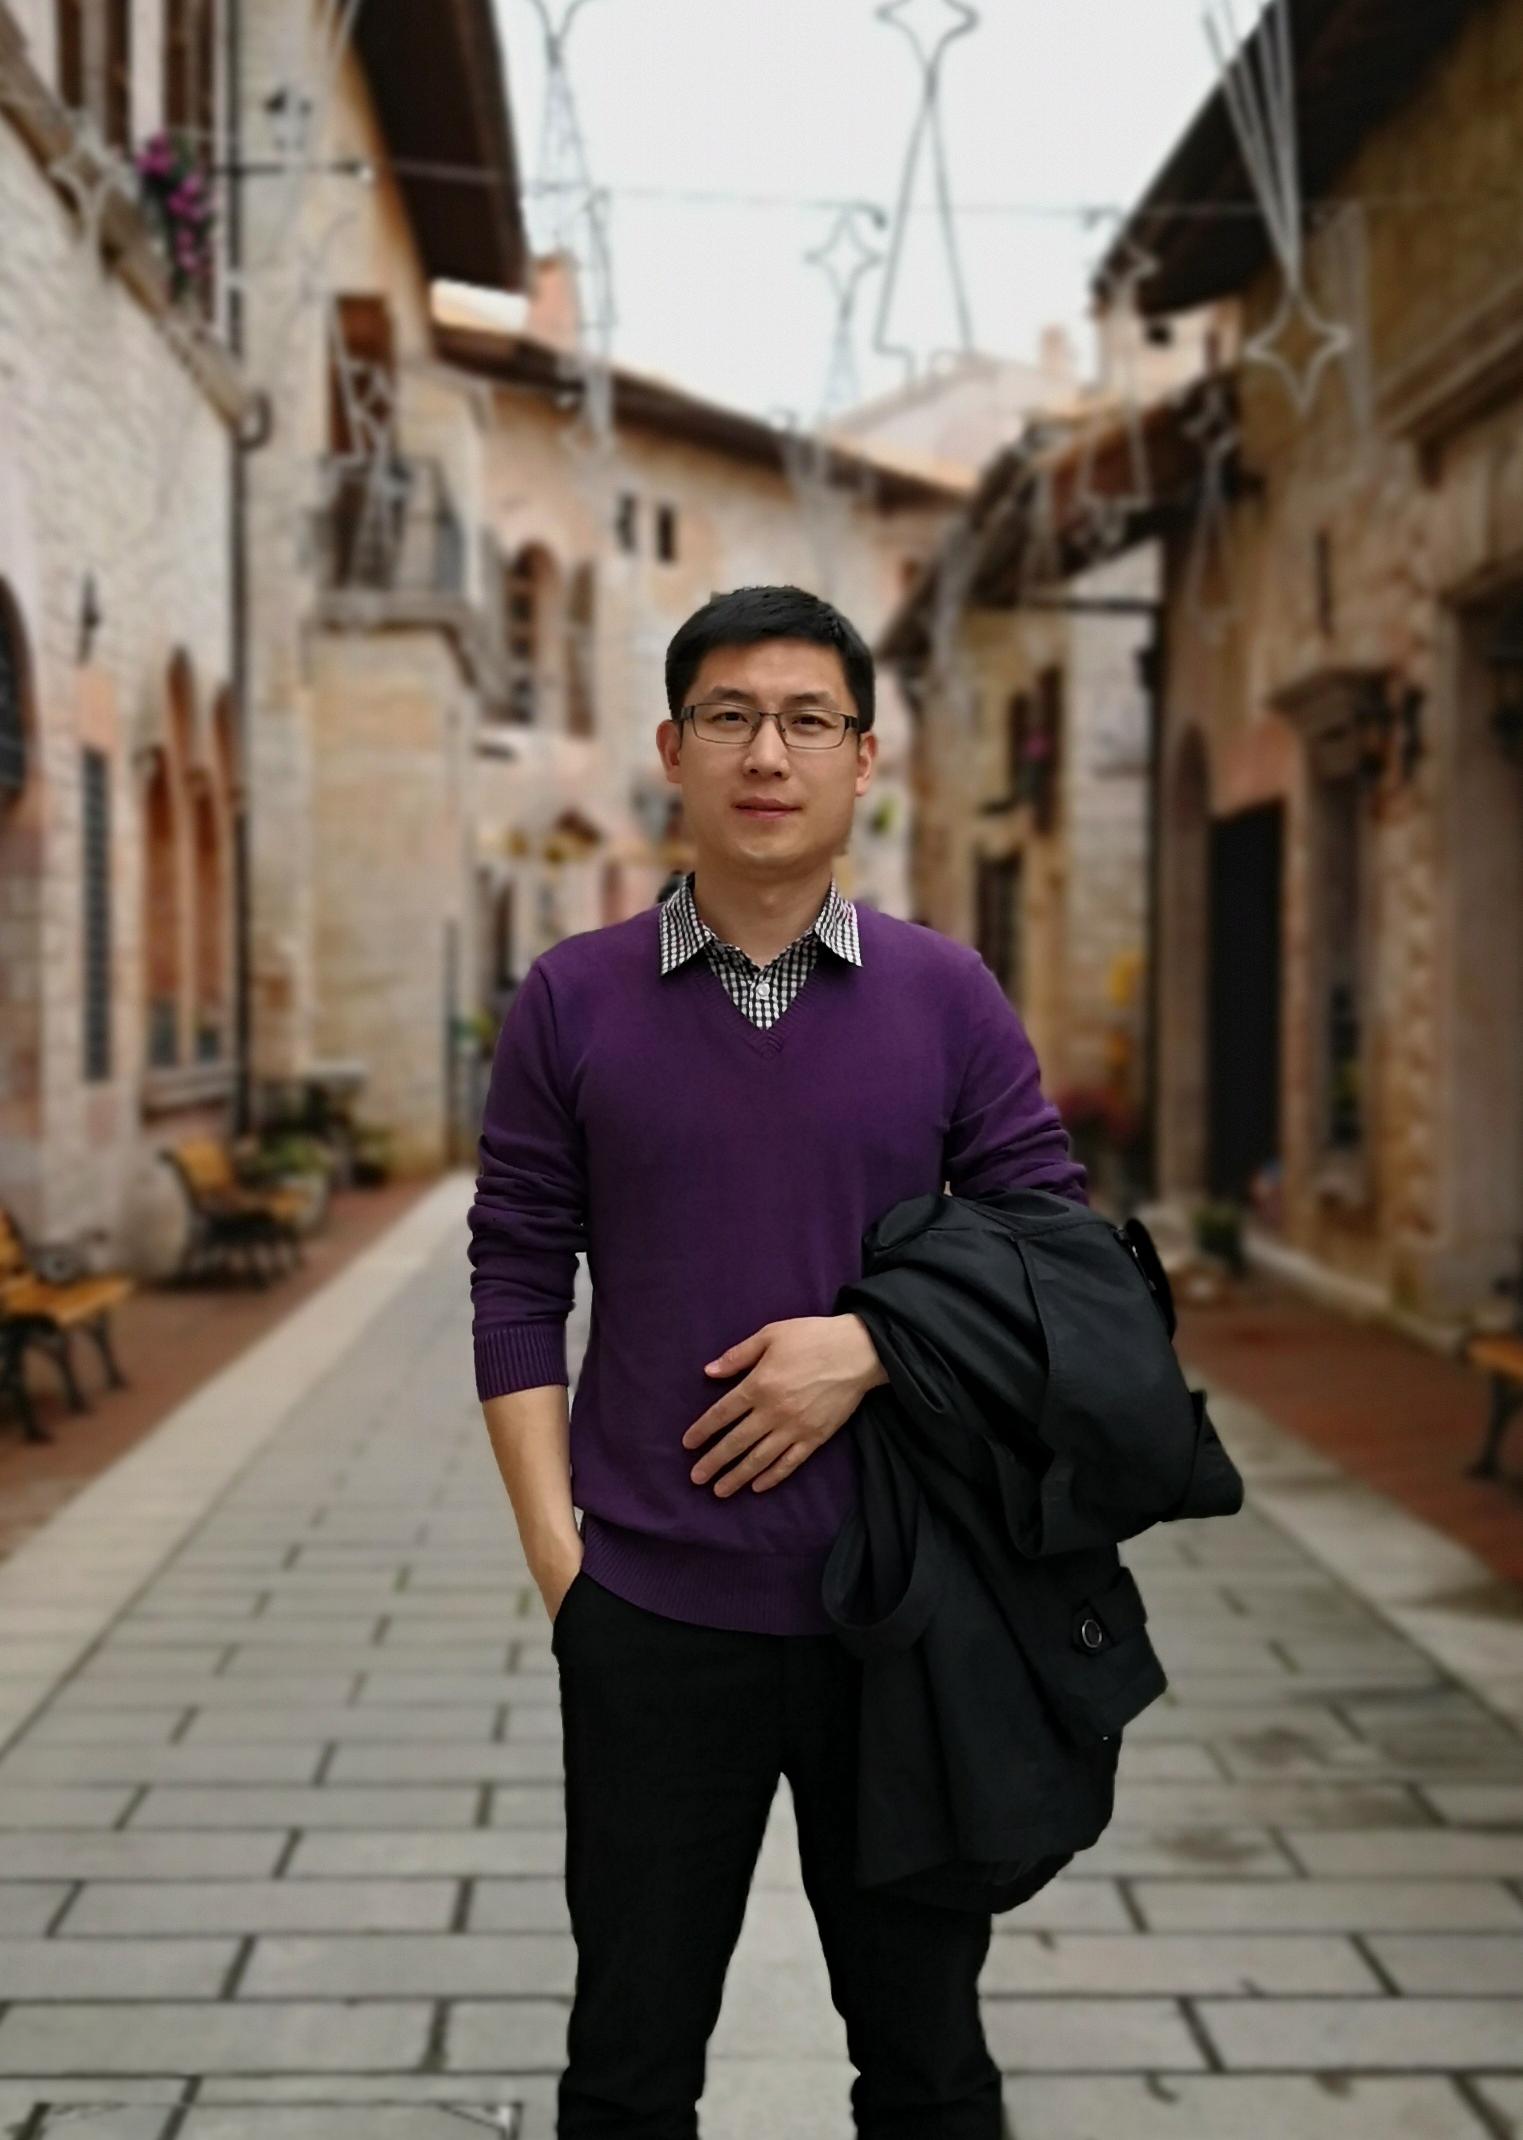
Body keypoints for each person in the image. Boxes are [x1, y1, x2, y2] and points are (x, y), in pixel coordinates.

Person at [469, 585, 1085, 2139]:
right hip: (652, 1617)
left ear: (864, 759)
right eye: (731, 717)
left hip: (901, 1615)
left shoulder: (946, 996)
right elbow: (517, 1276)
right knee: (627, 2070)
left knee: (929, 2069)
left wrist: (873, 1344)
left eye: (809, 720)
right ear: (672, 748)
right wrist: (562, 1569)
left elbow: (1055, 1255)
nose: (768, 753)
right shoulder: (572, 999)